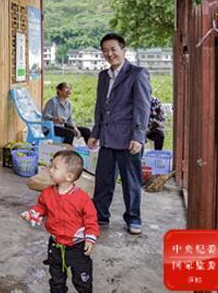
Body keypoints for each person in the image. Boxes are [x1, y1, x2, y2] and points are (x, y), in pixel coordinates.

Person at [87, 33, 151, 235]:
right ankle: (100, 216)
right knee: (103, 180)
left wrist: (139, 137)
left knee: (131, 182)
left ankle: (133, 218)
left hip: (128, 139)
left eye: (113, 49)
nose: (109, 54)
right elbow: (100, 107)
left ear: (124, 50)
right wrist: (95, 132)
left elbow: (142, 107)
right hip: (107, 138)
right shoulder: (103, 76)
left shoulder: (137, 73)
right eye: (105, 50)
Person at [20, 150, 98, 293]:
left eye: (55, 168)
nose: (50, 170)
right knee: (56, 280)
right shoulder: (47, 193)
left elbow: (91, 219)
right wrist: (32, 213)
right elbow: (41, 208)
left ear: (69, 176)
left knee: (82, 281)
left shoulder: (82, 198)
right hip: (56, 245)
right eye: (51, 166)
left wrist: (90, 238)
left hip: (77, 247)